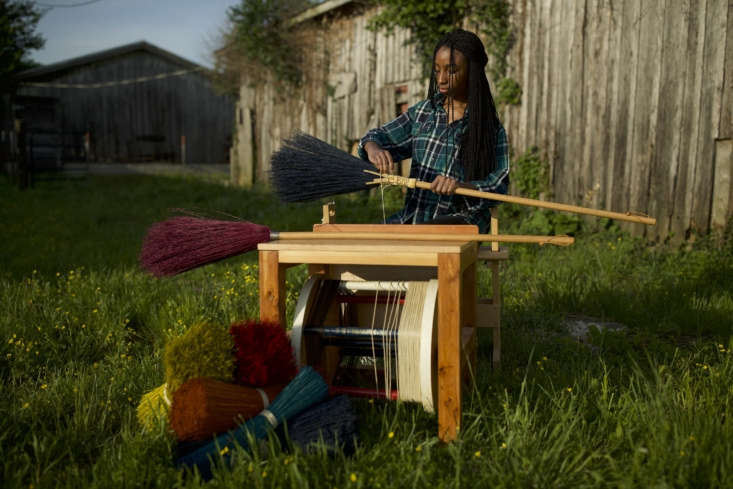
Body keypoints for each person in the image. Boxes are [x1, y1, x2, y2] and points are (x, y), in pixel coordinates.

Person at [358, 29, 510, 233]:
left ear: (473, 72)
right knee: (363, 240)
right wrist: (373, 148)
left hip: (462, 222)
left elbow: (499, 183)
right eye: (437, 70)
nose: (441, 79)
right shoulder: (423, 113)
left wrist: (461, 186)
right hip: (415, 218)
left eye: (452, 70)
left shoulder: (489, 128)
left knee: (426, 237)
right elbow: (376, 137)